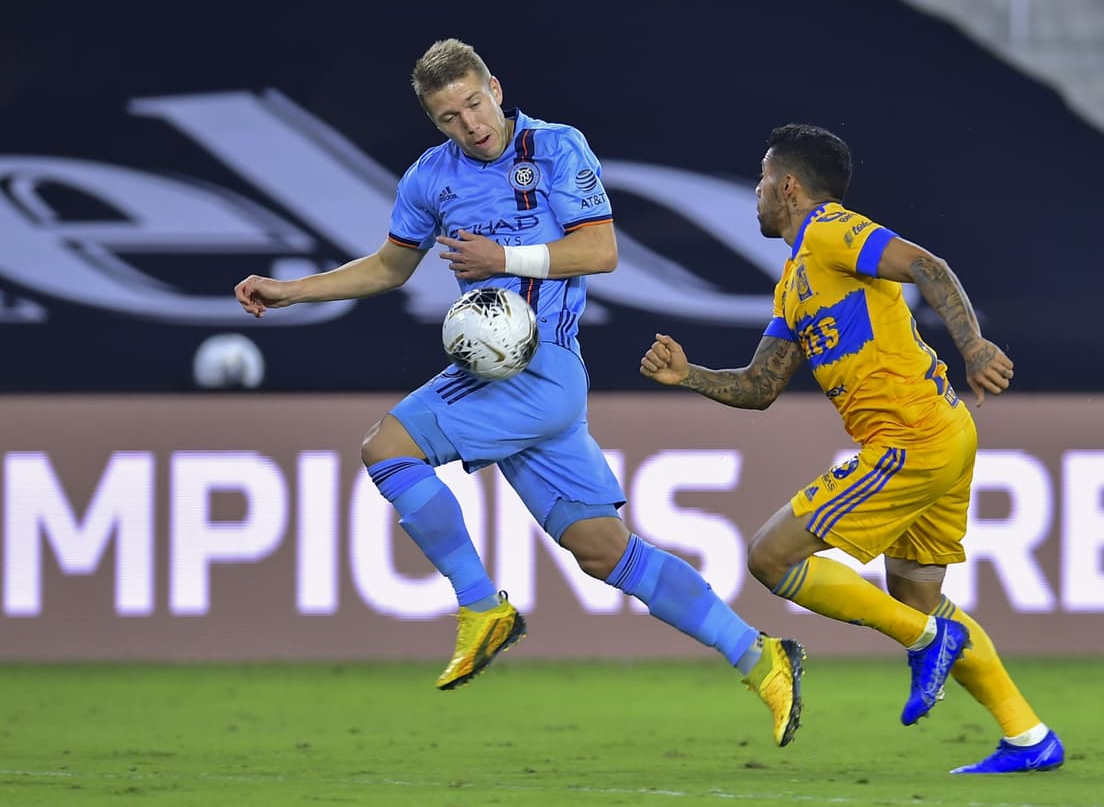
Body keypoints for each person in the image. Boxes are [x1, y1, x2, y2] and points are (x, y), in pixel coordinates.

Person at [234, 38, 805, 747]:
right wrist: (291, 290)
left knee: (387, 447)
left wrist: (501, 258)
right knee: (605, 551)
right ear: (434, 122)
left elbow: (601, 250)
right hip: (496, 372)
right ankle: (761, 655)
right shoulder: (428, 180)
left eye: (474, 103)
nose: (468, 123)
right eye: (448, 116)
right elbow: (388, 268)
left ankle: (482, 607)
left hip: (546, 369)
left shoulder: (559, 148)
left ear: (495, 89)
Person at [639, 123, 1064, 774]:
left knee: (772, 556)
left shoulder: (832, 231)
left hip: (911, 437)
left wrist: (973, 344)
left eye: (760, 180)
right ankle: (1028, 735)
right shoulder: (794, 281)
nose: (754, 193)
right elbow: (759, 387)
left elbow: (928, 265)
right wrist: (688, 374)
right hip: (941, 434)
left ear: (787, 187)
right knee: (917, 598)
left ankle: (929, 640)